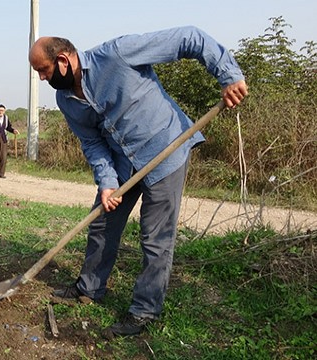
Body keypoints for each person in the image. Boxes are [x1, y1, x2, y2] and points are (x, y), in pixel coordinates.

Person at [28, 26, 248, 336]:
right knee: (102, 224)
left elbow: (190, 38)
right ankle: (89, 287)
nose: (41, 78)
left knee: (155, 238)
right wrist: (106, 182)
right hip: (122, 165)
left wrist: (228, 76)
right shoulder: (67, 100)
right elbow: (92, 143)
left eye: (43, 70)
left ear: (63, 61)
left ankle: (144, 310)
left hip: (165, 151)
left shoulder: (118, 54)